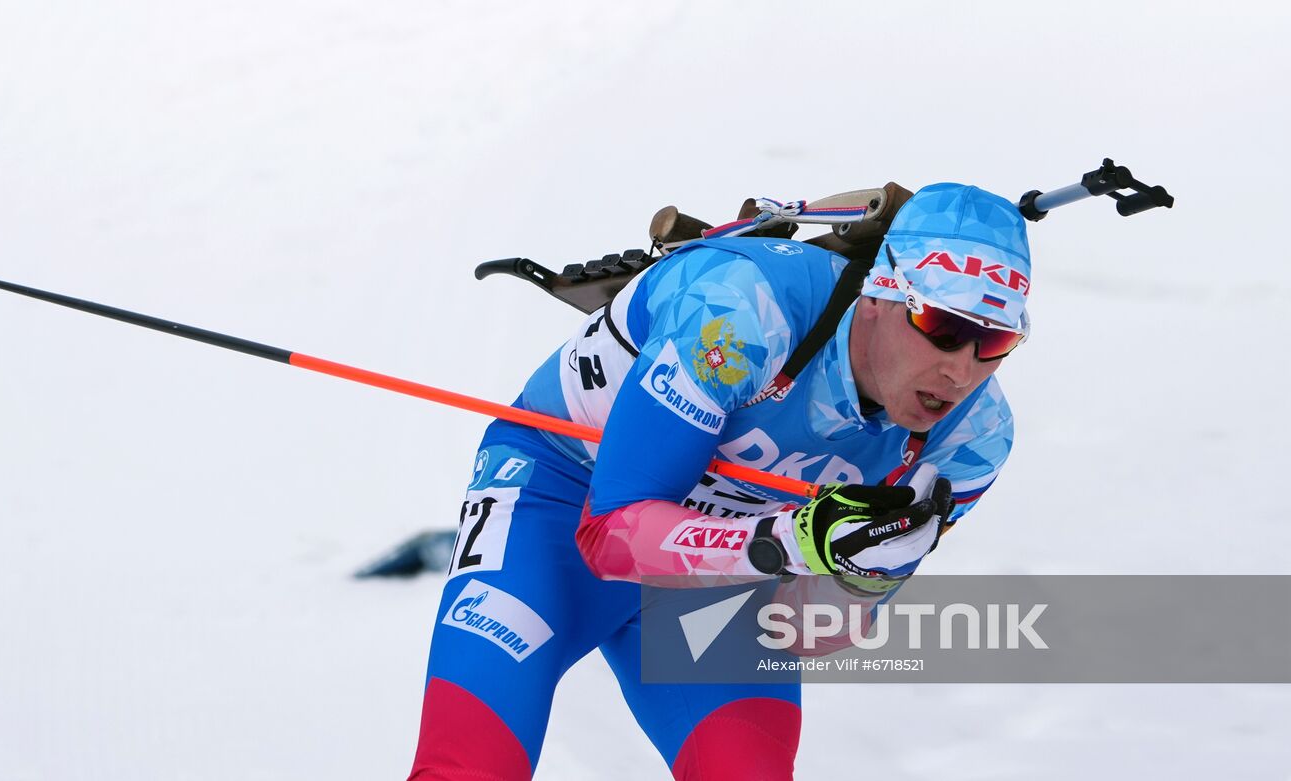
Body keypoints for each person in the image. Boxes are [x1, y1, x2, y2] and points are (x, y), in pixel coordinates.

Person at [408, 183, 1031, 780]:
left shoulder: (974, 439)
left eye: (994, 340)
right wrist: (797, 541)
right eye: (943, 328)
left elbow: (804, 630)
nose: (960, 370)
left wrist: (870, 573)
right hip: (559, 501)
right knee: (469, 769)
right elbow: (609, 536)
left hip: (719, 567)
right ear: (877, 294)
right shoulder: (742, 311)